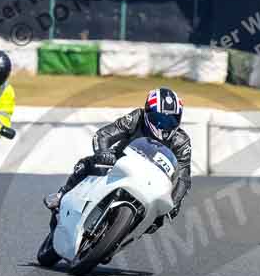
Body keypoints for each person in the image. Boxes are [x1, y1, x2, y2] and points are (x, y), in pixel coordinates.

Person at [44, 87, 192, 233]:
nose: (164, 125)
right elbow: (104, 134)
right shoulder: (136, 118)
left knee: (157, 222)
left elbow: (183, 177)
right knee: (86, 163)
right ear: (147, 113)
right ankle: (62, 194)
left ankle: (118, 241)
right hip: (120, 164)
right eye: (159, 119)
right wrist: (103, 153)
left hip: (153, 182)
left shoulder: (181, 141)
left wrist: (174, 202)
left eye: (171, 120)